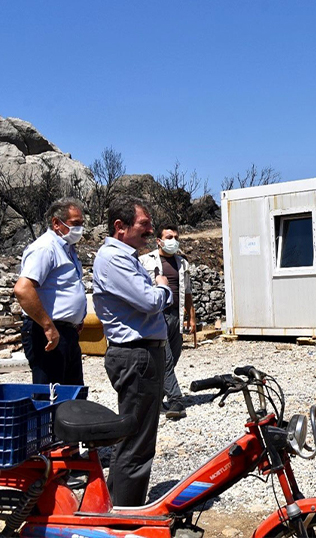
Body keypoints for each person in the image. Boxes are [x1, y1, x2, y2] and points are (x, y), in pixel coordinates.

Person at [92, 196, 173, 507]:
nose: (150, 230)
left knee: (134, 438)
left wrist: (156, 290)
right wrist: (163, 286)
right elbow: (150, 301)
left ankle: (115, 505)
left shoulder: (124, 257)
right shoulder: (113, 258)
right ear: (120, 226)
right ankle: (126, 514)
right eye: (144, 224)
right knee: (137, 443)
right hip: (136, 355)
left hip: (140, 354)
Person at [14, 197, 87, 385]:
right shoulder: (45, 248)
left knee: (73, 398)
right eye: (75, 224)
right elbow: (23, 289)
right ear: (56, 223)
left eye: (81, 224)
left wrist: (76, 320)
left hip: (66, 332)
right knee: (50, 397)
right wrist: (48, 326)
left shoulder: (68, 250)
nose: (79, 229)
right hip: (46, 333)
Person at [139, 223, 196, 420]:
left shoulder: (182, 263)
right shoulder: (145, 261)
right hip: (157, 315)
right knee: (166, 359)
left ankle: (153, 400)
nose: (173, 241)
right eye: (169, 237)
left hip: (176, 316)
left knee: (174, 355)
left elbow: (187, 291)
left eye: (176, 237)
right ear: (159, 240)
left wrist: (191, 317)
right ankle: (176, 400)